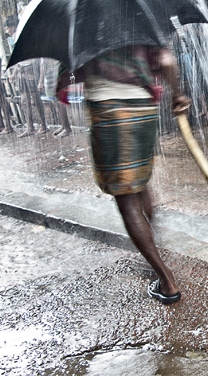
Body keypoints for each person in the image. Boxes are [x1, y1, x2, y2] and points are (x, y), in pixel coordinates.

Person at [57, 45, 191, 304]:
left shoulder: (85, 26)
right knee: (140, 184)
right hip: (143, 107)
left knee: (127, 199)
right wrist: (178, 94)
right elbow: (166, 59)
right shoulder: (138, 17)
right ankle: (153, 248)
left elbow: (71, 76)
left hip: (109, 109)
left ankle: (166, 281)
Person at [5, 18, 49, 137]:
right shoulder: (12, 39)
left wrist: (39, 78)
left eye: (8, 28)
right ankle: (30, 127)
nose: (7, 31)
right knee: (24, 100)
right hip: (21, 70)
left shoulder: (25, 36)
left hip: (30, 68)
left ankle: (43, 125)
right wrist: (14, 73)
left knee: (35, 98)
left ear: (13, 27)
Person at [37, 58, 73, 138]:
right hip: (52, 74)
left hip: (55, 74)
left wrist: (41, 81)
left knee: (59, 102)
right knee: (55, 102)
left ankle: (67, 128)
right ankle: (64, 126)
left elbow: (43, 64)